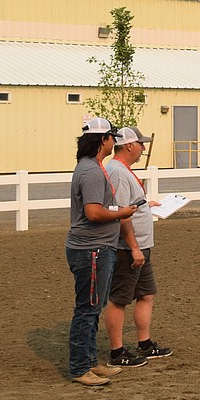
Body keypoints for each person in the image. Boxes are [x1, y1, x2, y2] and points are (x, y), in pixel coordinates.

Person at [66, 117, 139, 386]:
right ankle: (79, 367)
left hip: (94, 248)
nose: (113, 141)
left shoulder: (88, 167)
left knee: (93, 307)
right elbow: (94, 212)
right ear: (103, 140)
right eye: (111, 137)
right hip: (92, 249)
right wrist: (123, 212)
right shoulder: (93, 172)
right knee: (87, 309)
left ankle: (90, 362)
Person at [104, 126, 173, 367]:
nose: (144, 148)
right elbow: (121, 213)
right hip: (128, 247)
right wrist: (133, 247)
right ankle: (117, 352)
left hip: (141, 245)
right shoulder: (118, 173)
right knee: (119, 299)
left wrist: (145, 204)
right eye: (140, 144)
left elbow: (130, 205)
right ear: (129, 146)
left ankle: (144, 344)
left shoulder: (124, 170)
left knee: (146, 294)